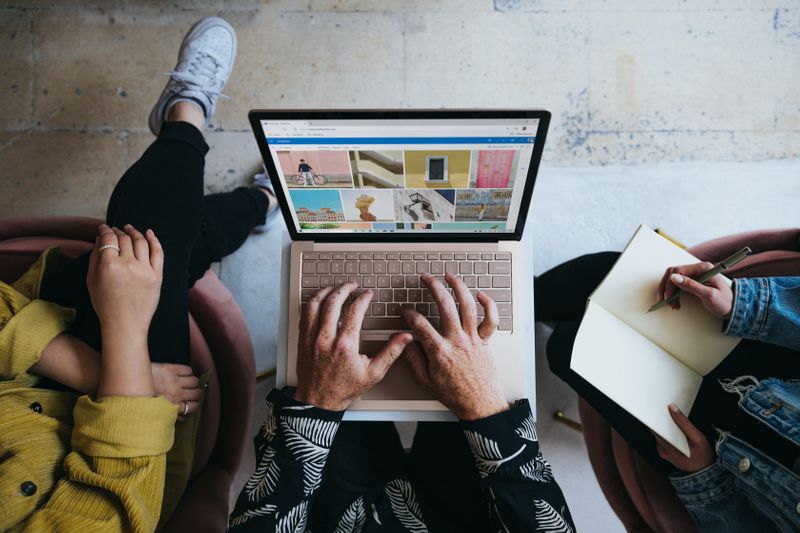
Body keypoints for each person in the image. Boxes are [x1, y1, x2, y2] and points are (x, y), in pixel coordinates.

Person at [0, 16, 276, 531]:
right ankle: (194, 125)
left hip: (39, 350)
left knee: (157, 247)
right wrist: (124, 335)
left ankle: (229, 165)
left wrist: (93, 367)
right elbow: (114, 493)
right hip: (131, 448)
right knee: (161, 248)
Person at [230, 273, 575, 532]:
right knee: (457, 349)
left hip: (332, 516)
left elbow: (260, 520)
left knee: (326, 353)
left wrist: (319, 403)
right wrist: (481, 403)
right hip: (474, 515)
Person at [535, 252, 800, 531]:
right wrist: (745, 302)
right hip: (768, 348)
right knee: (615, 281)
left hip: (711, 454)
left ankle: (531, 312)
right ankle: (519, 301)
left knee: (567, 350)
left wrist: (703, 474)